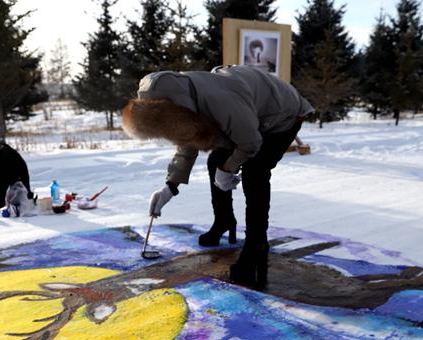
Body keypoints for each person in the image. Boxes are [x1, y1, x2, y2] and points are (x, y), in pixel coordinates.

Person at [121, 65, 312, 288]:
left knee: (255, 170)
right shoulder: (181, 101)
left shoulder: (221, 101)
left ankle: (256, 244)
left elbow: (250, 142)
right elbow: (187, 140)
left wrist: (228, 169)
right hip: (250, 113)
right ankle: (224, 221)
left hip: (283, 114)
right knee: (215, 161)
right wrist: (170, 186)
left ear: (177, 110)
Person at [0, 141, 34, 210]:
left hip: (13, 181)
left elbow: (25, 178)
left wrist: (28, 193)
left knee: (19, 203)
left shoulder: (17, 161)